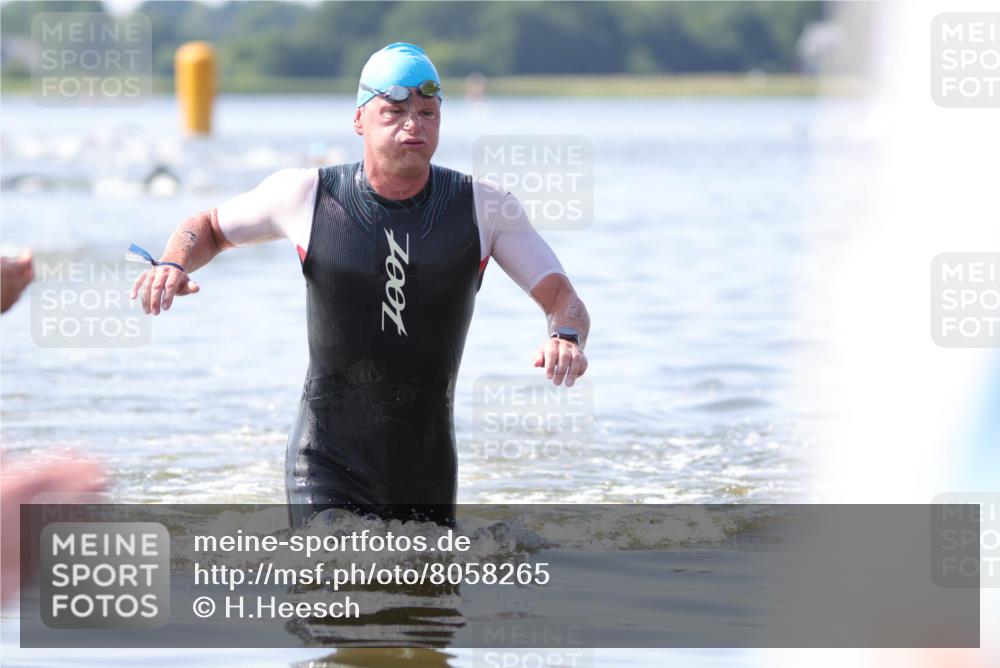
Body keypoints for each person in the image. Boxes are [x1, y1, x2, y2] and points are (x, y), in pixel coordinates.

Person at [130, 43, 590, 527]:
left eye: (427, 113)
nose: (413, 125)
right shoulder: (307, 195)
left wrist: (565, 337)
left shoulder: (484, 206)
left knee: (431, 579)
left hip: (426, 468)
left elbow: (564, 299)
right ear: (359, 120)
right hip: (324, 461)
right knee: (329, 567)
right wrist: (174, 262)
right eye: (394, 112)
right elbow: (208, 226)